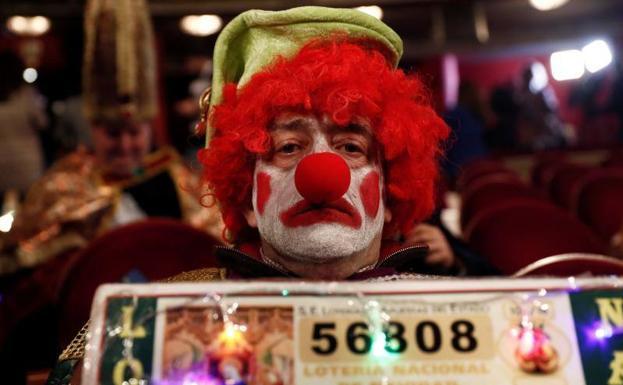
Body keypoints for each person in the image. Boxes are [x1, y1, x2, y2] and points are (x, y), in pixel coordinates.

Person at [46, 6, 491, 384]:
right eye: (288, 147)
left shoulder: (461, 317)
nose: (321, 173)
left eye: (351, 147)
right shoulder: (151, 322)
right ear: (246, 200)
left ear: (391, 193)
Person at [0, 0, 223, 275]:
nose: (125, 145)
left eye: (134, 132)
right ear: (93, 128)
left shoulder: (182, 182)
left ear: (148, 130)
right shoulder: (63, 186)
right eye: (112, 133)